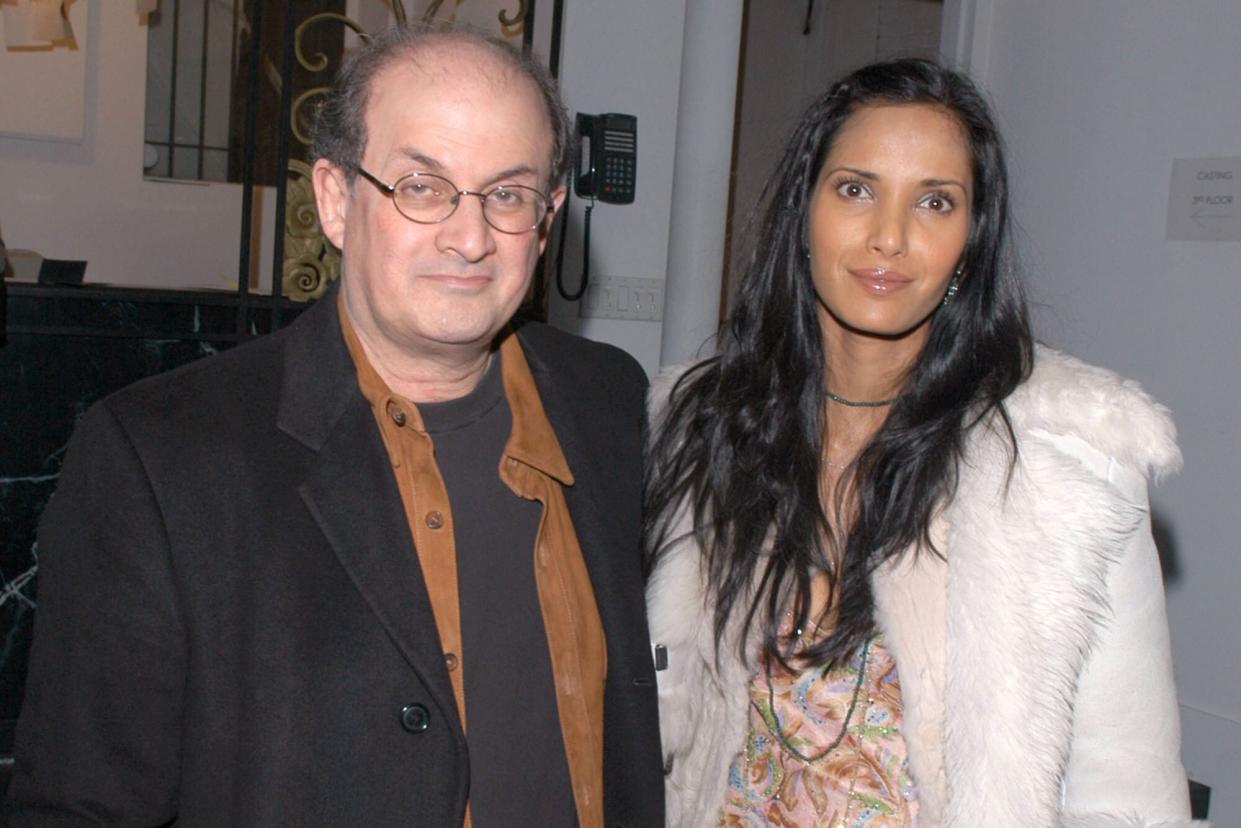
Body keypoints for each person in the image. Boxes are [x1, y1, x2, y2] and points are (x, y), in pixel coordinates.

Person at [6, 25, 663, 827]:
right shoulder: (161, 456)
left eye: (507, 195)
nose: (469, 236)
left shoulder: (610, 404)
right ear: (334, 200)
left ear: (548, 215)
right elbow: (80, 807)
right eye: (422, 186)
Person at [645, 58, 1199, 827]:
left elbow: (1128, 798)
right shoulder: (707, 428)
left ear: (970, 242)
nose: (889, 237)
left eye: (934, 202)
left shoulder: (1064, 461)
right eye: (855, 189)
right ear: (803, 212)